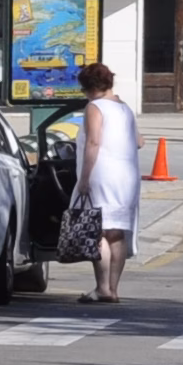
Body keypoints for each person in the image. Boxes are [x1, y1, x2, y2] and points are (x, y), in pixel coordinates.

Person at [76, 61, 140, 303]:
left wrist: (84, 178)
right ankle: (113, 288)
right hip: (127, 176)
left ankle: (102, 287)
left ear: (90, 88)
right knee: (117, 232)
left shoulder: (95, 107)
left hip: (102, 173)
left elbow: (93, 143)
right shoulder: (124, 108)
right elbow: (139, 141)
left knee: (98, 231)